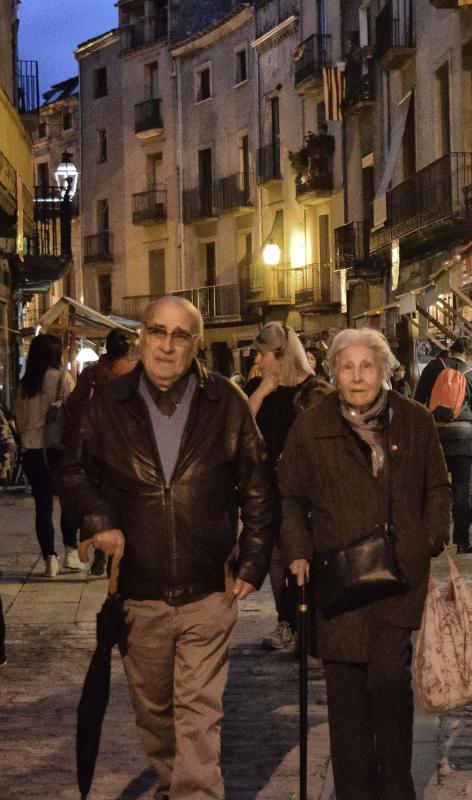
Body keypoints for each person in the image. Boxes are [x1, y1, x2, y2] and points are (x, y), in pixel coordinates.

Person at [59, 296, 278, 800]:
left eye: (180, 335)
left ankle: (195, 792)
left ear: (195, 344)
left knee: (200, 711)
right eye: (158, 332)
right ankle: (170, 781)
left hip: (209, 588)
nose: (167, 344)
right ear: (141, 338)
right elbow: (72, 470)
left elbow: (259, 487)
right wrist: (99, 521)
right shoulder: (107, 405)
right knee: (155, 711)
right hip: (139, 587)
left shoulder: (226, 403)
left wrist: (253, 559)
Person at [279, 328, 451, 800]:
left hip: (398, 575)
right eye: (347, 367)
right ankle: (354, 789)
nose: (357, 377)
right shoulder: (311, 427)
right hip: (339, 580)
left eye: (367, 366)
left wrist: (430, 537)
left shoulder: (414, 420)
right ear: (333, 372)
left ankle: (396, 787)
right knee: (346, 692)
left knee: (391, 682)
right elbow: (289, 497)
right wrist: (296, 550)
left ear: (384, 370)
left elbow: (438, 486)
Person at [243, 321, 322, 652]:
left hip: (307, 492)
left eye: (264, 356)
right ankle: (286, 621)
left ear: (281, 354)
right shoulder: (262, 390)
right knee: (277, 557)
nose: (260, 362)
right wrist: (261, 391)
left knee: (306, 556)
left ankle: (310, 627)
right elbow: (240, 427)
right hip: (273, 486)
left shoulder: (314, 391)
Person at [66, 328, 137, 576]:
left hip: (98, 443)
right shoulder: (137, 371)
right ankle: (119, 557)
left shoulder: (93, 371)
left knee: (101, 498)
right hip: (129, 445)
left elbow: (75, 401)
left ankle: (100, 551)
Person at [13, 333, 78, 576]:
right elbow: (73, 413)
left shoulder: (23, 385)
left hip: (31, 450)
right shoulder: (62, 379)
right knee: (68, 501)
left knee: (43, 506)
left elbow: (19, 420)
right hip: (57, 449)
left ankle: (50, 558)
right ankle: (71, 551)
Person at [414, 337, 472, 553]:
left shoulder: (434, 366)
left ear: (451, 349)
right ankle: (462, 542)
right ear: (469, 354)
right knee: (462, 490)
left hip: (436, 434)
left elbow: (417, 400)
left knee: (433, 487)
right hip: (463, 435)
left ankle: (431, 538)